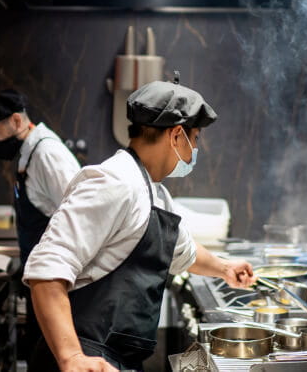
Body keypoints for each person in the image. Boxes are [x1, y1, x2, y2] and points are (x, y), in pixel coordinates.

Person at [24, 77, 256, 372]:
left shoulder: (154, 192)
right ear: (175, 136)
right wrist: (71, 357)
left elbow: (183, 251)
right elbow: (46, 270)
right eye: (194, 139)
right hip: (85, 358)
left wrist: (224, 268)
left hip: (116, 359)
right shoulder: (114, 181)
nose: (195, 150)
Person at [0, 89, 81, 352]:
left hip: (58, 284)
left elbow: (80, 216)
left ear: (17, 121)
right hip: (44, 279)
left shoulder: (47, 154)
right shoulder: (29, 153)